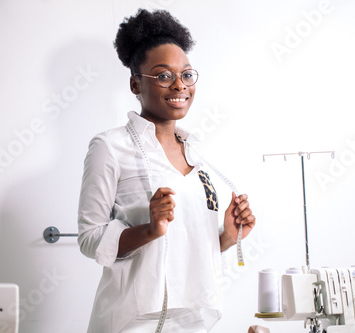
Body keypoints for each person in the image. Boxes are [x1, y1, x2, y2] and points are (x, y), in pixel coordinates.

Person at [78, 9, 256, 333]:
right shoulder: (109, 147)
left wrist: (228, 236)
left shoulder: (199, 153)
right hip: (130, 323)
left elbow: (186, 248)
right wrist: (149, 229)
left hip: (192, 322)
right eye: (163, 75)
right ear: (135, 83)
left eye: (187, 74)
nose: (179, 85)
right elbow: (90, 239)